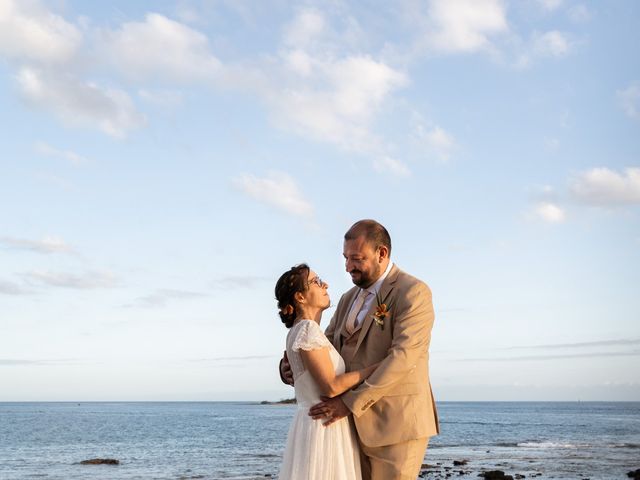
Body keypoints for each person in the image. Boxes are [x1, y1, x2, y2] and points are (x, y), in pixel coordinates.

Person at [279, 220, 439, 480]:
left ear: (382, 253)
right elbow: (322, 344)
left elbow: (404, 357)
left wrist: (349, 403)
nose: (348, 266)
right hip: (350, 431)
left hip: (395, 426)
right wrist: (291, 367)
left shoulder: (413, 292)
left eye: (356, 258)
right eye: (345, 258)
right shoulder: (347, 299)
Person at [275, 263, 379, 480]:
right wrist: (377, 367)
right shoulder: (307, 329)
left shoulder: (301, 331)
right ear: (300, 297)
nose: (325, 285)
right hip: (324, 426)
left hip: (312, 423)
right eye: (316, 282)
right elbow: (331, 386)